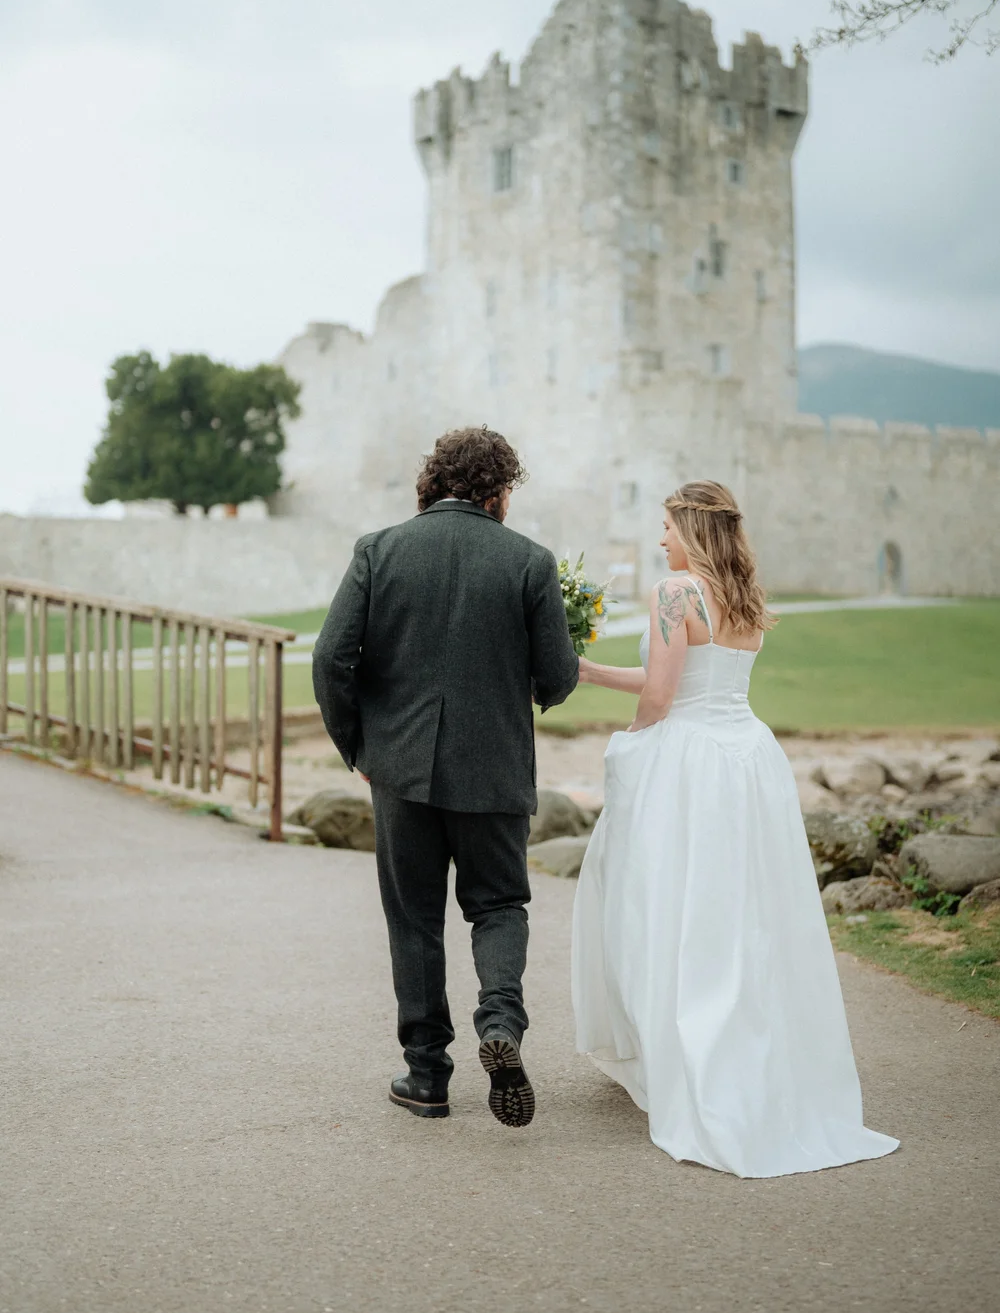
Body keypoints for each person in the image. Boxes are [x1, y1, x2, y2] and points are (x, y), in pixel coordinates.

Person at [572, 480, 899, 1177]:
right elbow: (695, 679)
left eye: (664, 525)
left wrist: (629, 746)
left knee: (665, 907)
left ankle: (681, 1057)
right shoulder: (744, 595)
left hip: (688, 765)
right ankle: (753, 1054)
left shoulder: (674, 593)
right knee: (745, 915)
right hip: (749, 758)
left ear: (689, 529)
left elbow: (662, 697)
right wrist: (592, 671)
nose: (659, 538)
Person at [312, 427, 579, 1126]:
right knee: (497, 906)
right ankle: (501, 1024)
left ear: (434, 482)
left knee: (414, 921)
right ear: (498, 491)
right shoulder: (531, 561)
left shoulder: (379, 549)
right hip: (493, 771)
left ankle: (427, 1076)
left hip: (398, 772)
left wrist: (359, 745)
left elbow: (330, 659)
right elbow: (557, 677)